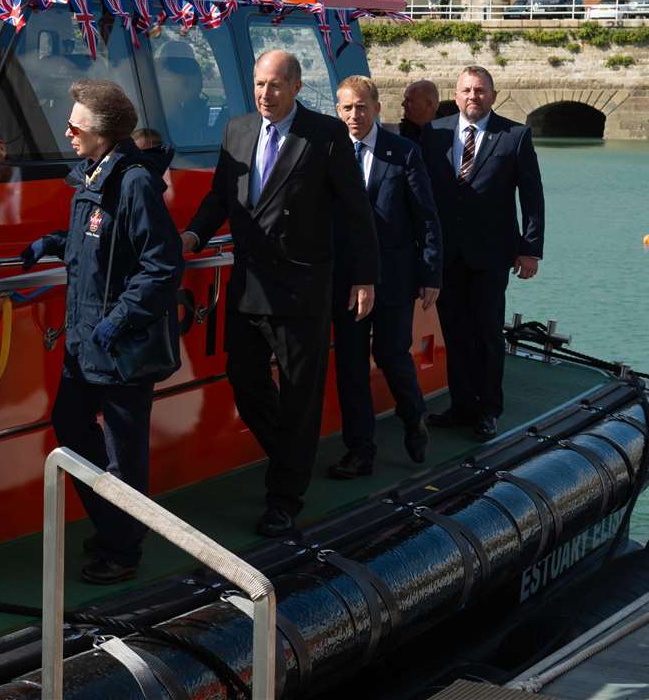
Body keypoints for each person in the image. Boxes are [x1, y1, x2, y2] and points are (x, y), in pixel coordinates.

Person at [181, 50, 379, 536]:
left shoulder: (326, 135)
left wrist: (364, 277)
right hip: (250, 283)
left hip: (302, 286)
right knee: (244, 380)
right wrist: (192, 236)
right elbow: (220, 197)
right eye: (258, 85)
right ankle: (292, 456)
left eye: (273, 85)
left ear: (295, 86)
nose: (264, 95)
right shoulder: (238, 130)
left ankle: (284, 496)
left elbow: (356, 211)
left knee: (299, 396)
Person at [19, 79, 182, 583]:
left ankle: (123, 549)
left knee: (122, 452)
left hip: (118, 344)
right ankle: (116, 523)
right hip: (84, 338)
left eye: (75, 124)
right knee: (69, 424)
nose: (67, 131)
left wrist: (116, 323)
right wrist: (52, 242)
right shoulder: (93, 175)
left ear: (102, 132)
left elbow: (161, 266)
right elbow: (96, 242)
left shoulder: (132, 182)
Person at [419, 66, 545, 442]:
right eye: (466, 91)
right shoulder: (434, 134)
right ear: (455, 96)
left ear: (493, 95)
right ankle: (461, 406)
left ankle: (488, 409)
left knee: (488, 333)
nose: (473, 97)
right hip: (446, 255)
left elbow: (533, 197)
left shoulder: (515, 136)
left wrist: (530, 249)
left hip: (491, 255)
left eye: (480, 90)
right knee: (454, 332)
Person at [326, 75, 442, 478]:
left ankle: (414, 417)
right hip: (344, 279)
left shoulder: (404, 153)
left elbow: (426, 218)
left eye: (361, 107)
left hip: (393, 276)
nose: (354, 115)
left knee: (392, 355)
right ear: (337, 111)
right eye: (346, 108)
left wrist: (431, 272)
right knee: (351, 364)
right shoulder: (327, 153)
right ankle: (360, 451)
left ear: (376, 108)